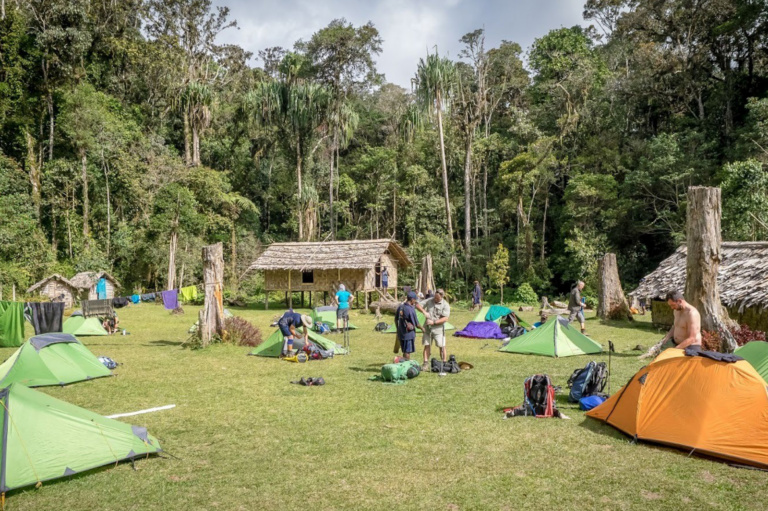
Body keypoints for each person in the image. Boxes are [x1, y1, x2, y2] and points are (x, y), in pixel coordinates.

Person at [416, 289, 451, 374]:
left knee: (441, 346)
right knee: (427, 345)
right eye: (435, 297)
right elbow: (417, 305)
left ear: (442, 297)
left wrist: (434, 322)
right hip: (428, 329)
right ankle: (425, 363)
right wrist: (424, 312)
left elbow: (445, 318)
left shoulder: (445, 305)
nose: (435, 299)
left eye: (437, 298)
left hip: (438, 329)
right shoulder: (429, 300)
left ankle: (444, 363)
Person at [395, 292, 420, 361]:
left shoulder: (400, 307)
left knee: (404, 350)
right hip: (408, 334)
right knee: (407, 352)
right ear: (412, 299)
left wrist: (398, 329)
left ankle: (403, 363)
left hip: (401, 333)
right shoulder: (410, 309)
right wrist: (423, 329)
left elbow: (396, 319)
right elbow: (417, 324)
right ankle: (401, 361)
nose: (415, 301)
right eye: (415, 300)